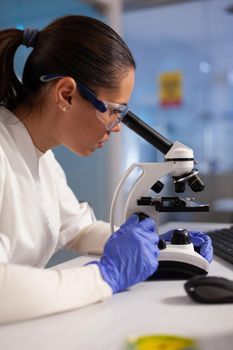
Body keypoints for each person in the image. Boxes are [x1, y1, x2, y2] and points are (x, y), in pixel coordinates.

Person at [0, 15, 213, 325]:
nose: (116, 129)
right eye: (114, 111)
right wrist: (105, 276)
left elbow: (78, 229)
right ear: (66, 94)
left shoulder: (40, 157)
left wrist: (162, 248)